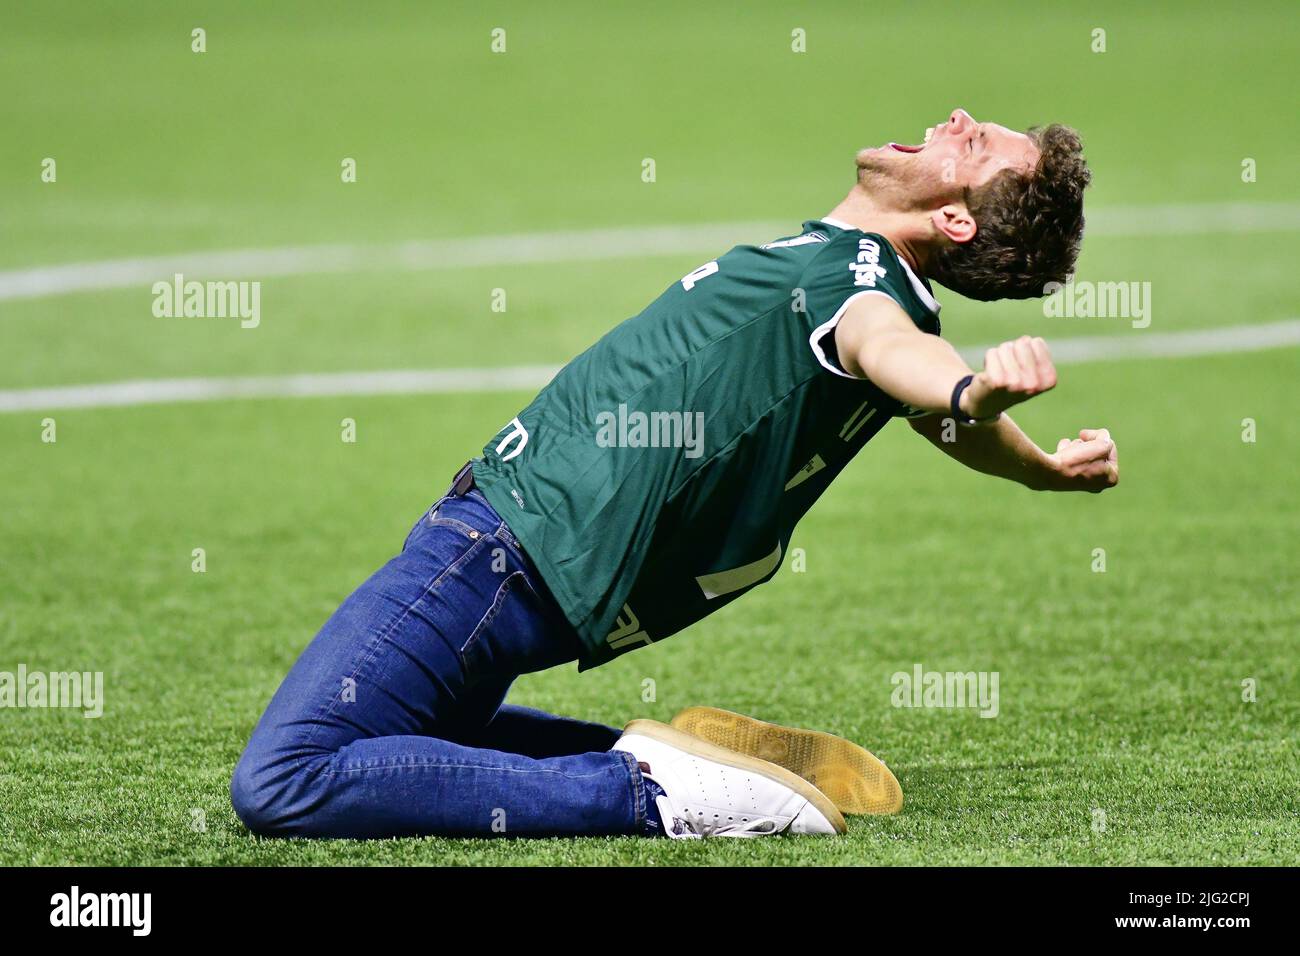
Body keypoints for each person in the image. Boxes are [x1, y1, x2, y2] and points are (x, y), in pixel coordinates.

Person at [231, 109, 1116, 840]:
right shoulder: (886, 291)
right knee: (407, 742)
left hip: (509, 547)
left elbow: (896, 359)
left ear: (956, 219)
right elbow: (922, 396)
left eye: (974, 144)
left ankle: (651, 791)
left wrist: (971, 390)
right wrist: (1039, 469)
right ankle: (679, 760)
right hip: (531, 559)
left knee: (284, 779)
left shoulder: (863, 292)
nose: (956, 120)